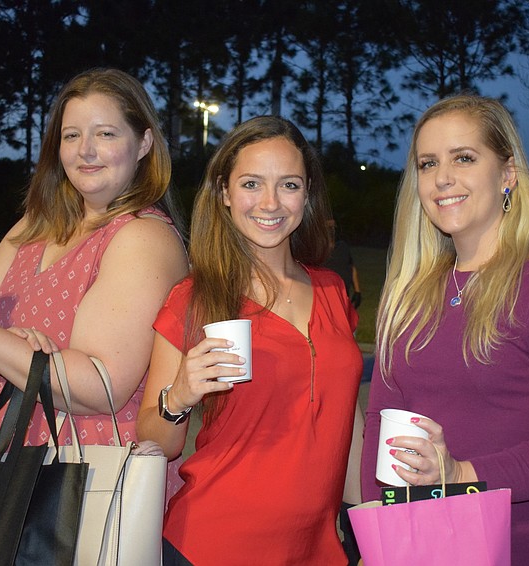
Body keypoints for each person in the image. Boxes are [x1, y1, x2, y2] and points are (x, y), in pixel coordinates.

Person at [360, 94, 529, 564]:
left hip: (517, 545)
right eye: (427, 163)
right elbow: (380, 422)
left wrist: (460, 472)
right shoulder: (410, 291)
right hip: (414, 545)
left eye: (464, 157)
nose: (442, 178)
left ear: (507, 174)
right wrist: (378, 532)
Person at [136, 116, 363, 565]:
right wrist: (178, 396)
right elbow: (157, 441)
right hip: (212, 544)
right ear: (224, 193)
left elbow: (347, 420)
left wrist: (362, 521)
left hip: (318, 550)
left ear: (308, 193)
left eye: (290, 185)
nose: (271, 202)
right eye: (252, 183)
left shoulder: (333, 291)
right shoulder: (194, 299)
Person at [0, 68, 188, 456]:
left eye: (106, 133)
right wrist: (0, 349)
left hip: (81, 476)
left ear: (144, 142)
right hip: (2, 456)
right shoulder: (35, 225)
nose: (86, 149)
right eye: (72, 135)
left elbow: (102, 387)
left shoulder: (143, 237)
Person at [324, 219, 362, 309]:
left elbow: (351, 267)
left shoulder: (342, 246)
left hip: (343, 296)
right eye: (329, 227)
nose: (332, 229)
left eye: (333, 227)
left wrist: (357, 291)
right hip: (325, 298)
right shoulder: (318, 251)